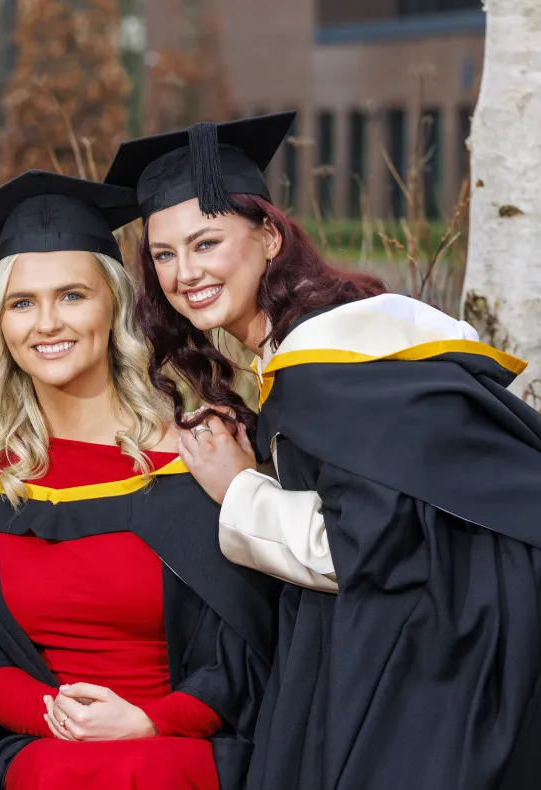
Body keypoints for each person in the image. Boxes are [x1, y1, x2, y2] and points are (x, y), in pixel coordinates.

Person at [105, 111, 541, 790]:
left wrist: (239, 489)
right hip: (463, 638)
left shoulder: (328, 370)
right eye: (164, 254)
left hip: (434, 668)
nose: (183, 272)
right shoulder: (337, 350)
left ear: (270, 236)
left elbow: (364, 547)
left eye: (206, 243)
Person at [0, 170, 280, 790]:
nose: (46, 323)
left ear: (114, 303)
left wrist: (147, 722)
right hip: (45, 744)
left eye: (72, 296)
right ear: (0, 325)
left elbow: (244, 643)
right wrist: (65, 720)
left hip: (180, 741)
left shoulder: (198, 456)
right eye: (22, 303)